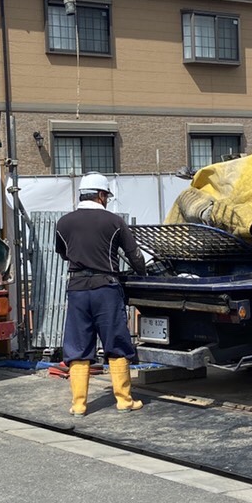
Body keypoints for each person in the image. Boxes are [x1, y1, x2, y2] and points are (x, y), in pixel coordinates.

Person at [55, 172, 147, 415]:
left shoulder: (63, 223)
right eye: (106, 195)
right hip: (106, 288)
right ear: (101, 194)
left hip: (76, 290)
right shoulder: (113, 222)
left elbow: (63, 252)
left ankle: (78, 405)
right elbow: (134, 255)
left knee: (78, 345)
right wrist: (143, 274)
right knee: (116, 342)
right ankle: (124, 400)